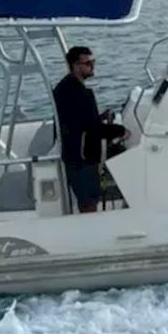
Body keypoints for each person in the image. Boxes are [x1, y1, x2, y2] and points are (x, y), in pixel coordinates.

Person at [53, 44, 108, 212]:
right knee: (89, 202)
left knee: (87, 200)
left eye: (93, 62)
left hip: (74, 154)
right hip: (81, 157)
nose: (92, 66)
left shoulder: (65, 87)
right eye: (88, 63)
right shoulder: (81, 94)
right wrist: (121, 131)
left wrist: (100, 119)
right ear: (76, 66)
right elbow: (93, 129)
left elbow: (78, 121)